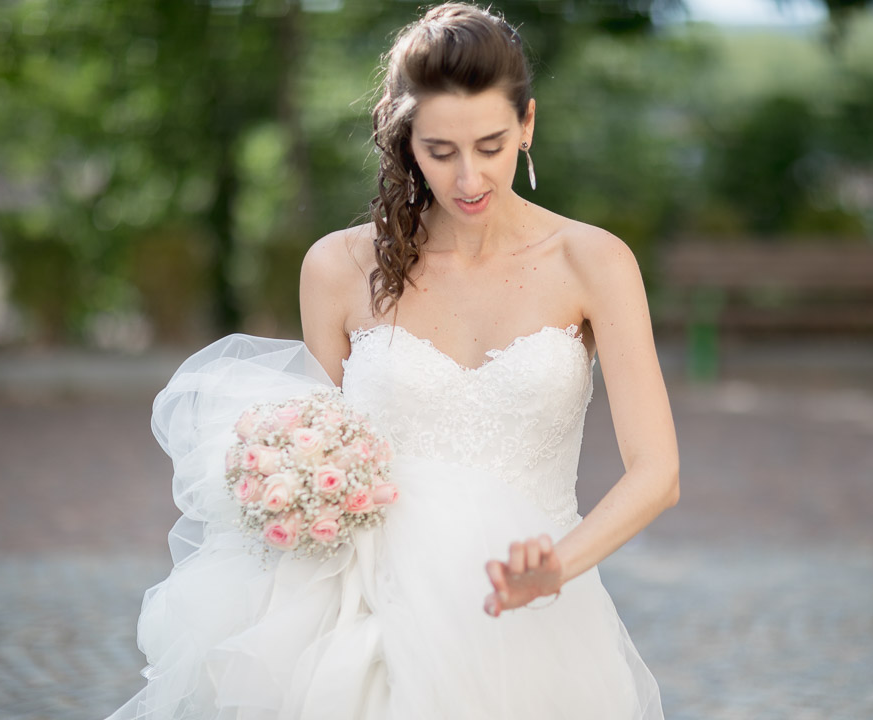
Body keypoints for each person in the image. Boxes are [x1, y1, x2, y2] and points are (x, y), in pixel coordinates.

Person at [106, 3, 678, 719]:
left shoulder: (593, 262)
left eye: (493, 145)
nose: (470, 178)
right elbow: (322, 440)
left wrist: (556, 567)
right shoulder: (337, 267)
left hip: (534, 612)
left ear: (528, 124)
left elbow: (657, 472)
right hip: (360, 614)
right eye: (442, 151)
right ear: (406, 141)